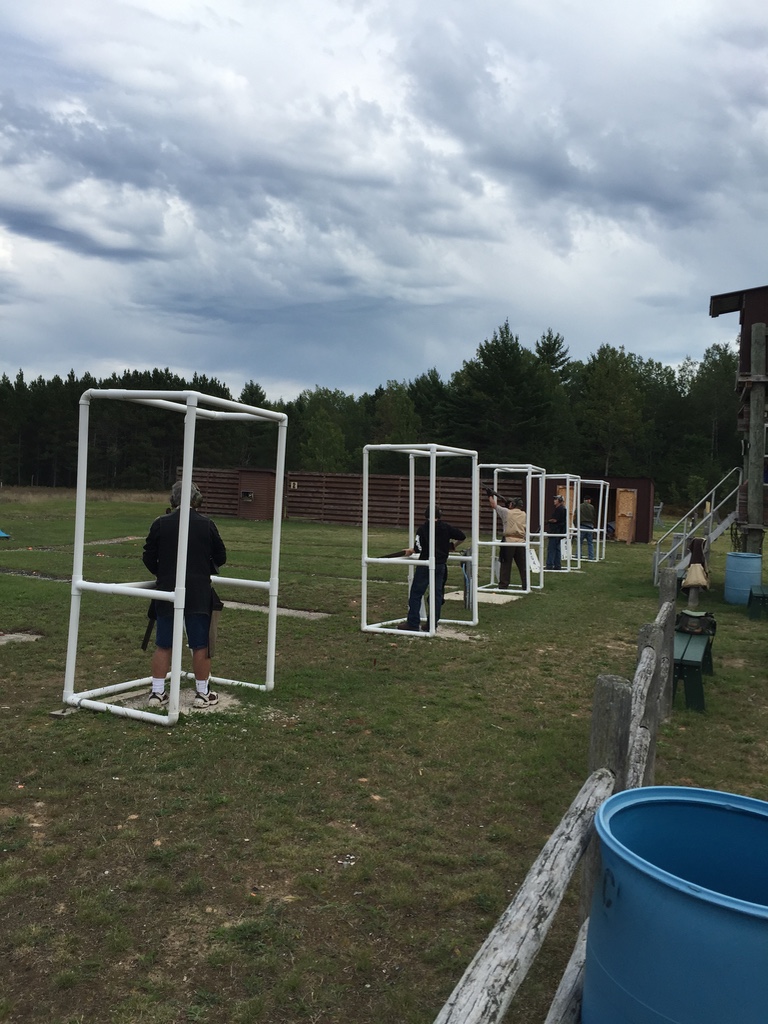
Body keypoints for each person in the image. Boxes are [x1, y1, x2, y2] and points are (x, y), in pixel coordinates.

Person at [143, 480, 227, 707]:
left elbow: (148, 557)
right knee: (200, 645)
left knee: (163, 644)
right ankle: (202, 693)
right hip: (198, 592)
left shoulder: (160, 524)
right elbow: (221, 556)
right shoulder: (207, 524)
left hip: (166, 590)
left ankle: (157, 693)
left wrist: (164, 574)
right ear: (195, 498)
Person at [399, 506, 466, 631]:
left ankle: (413, 623)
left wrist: (411, 550)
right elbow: (462, 536)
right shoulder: (446, 527)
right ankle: (432, 624)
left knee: (416, 593)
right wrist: (452, 546)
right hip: (440, 565)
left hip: (425, 564)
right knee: (436, 596)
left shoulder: (423, 528)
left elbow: (418, 548)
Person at [489, 494, 527, 589]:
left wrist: (490, 495)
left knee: (506, 564)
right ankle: (526, 584)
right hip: (521, 542)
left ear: (512, 504)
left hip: (509, 541)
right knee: (523, 565)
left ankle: (503, 585)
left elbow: (493, 505)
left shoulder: (506, 512)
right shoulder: (524, 514)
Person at [545, 494, 567, 570]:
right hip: (559, 531)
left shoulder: (559, 509)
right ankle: (557, 565)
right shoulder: (562, 509)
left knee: (551, 548)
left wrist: (548, 521)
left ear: (559, 501)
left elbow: (555, 520)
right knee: (557, 549)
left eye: (556, 499)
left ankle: (549, 564)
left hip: (555, 531)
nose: (554, 501)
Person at [579, 496, 596, 561]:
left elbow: (576, 515)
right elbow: (594, 515)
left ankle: (578, 555)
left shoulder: (580, 506)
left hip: (582, 525)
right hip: (590, 526)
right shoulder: (592, 507)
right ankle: (591, 556)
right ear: (589, 500)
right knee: (590, 543)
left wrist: (576, 525)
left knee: (579, 542)